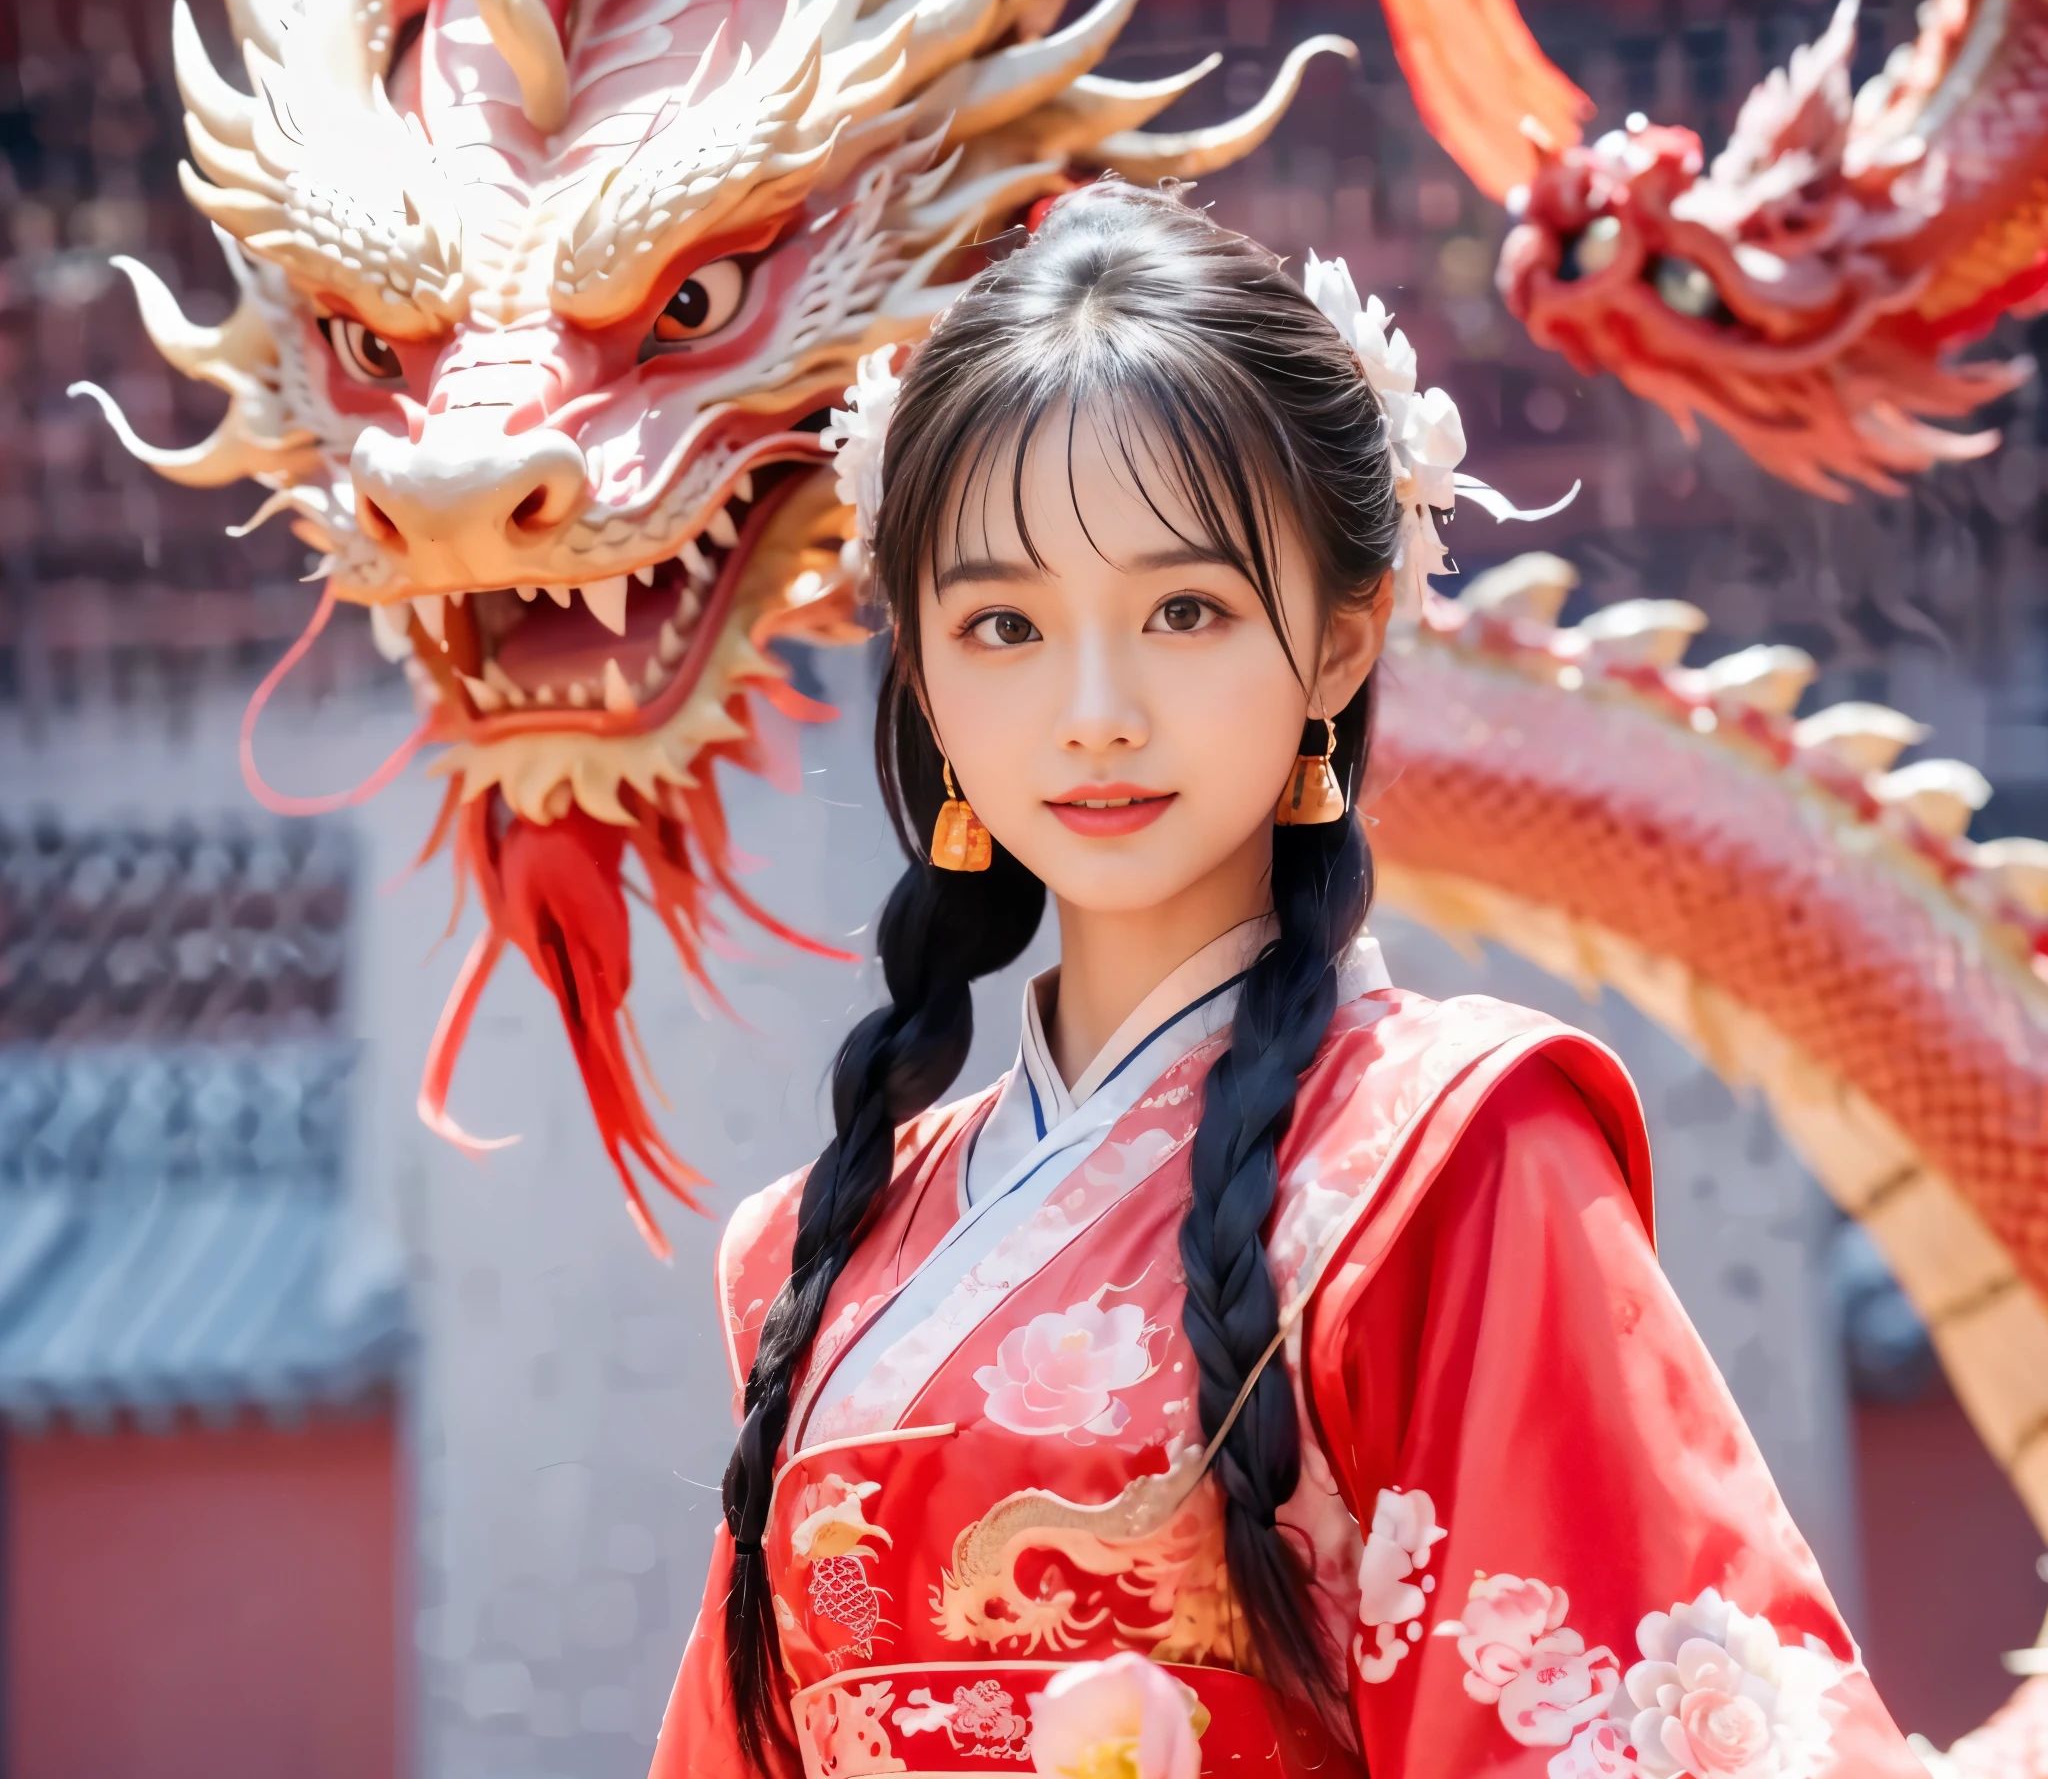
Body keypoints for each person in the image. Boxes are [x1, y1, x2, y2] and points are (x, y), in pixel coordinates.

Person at [647, 183, 1923, 1778]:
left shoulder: (1447, 1168)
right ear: (918, 661)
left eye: (1183, 609)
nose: (1094, 710)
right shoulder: (817, 1255)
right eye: (1004, 625)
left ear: (1338, 639)